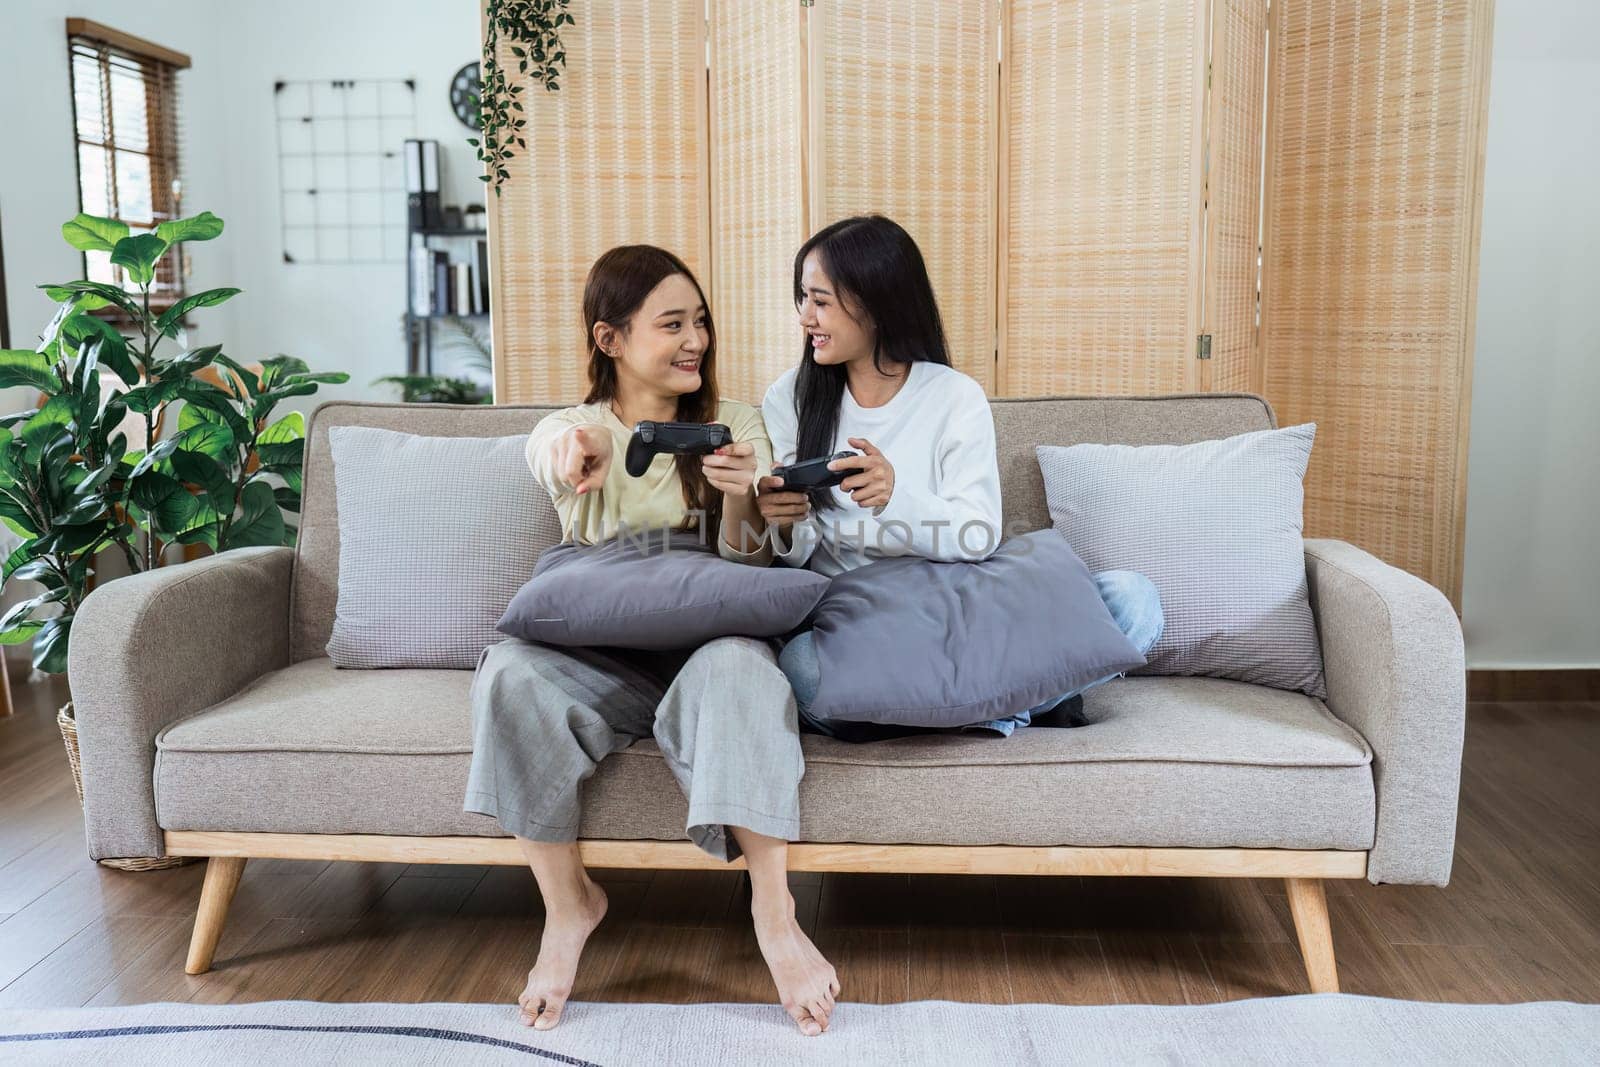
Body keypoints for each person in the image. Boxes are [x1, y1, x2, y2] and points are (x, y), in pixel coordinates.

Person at [464, 245, 839, 1035]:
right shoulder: (580, 431)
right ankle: (569, 908)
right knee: (506, 673)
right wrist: (574, 456)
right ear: (611, 339)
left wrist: (742, 498)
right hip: (598, 659)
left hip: (702, 650)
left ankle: (774, 914)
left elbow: (748, 562)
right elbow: (552, 453)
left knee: (744, 668)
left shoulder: (735, 423)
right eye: (672, 323)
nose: (694, 339)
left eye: (699, 320)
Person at [757, 215, 1164, 738]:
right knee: (803, 670)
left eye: (820, 300)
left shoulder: (954, 396)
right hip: (868, 623)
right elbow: (803, 552)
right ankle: (1011, 702)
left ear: (875, 303)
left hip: (962, 603)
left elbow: (977, 537)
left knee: (1133, 598)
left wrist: (896, 495)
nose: (804, 317)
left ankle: (956, 708)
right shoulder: (790, 397)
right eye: (802, 297)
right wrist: (784, 522)